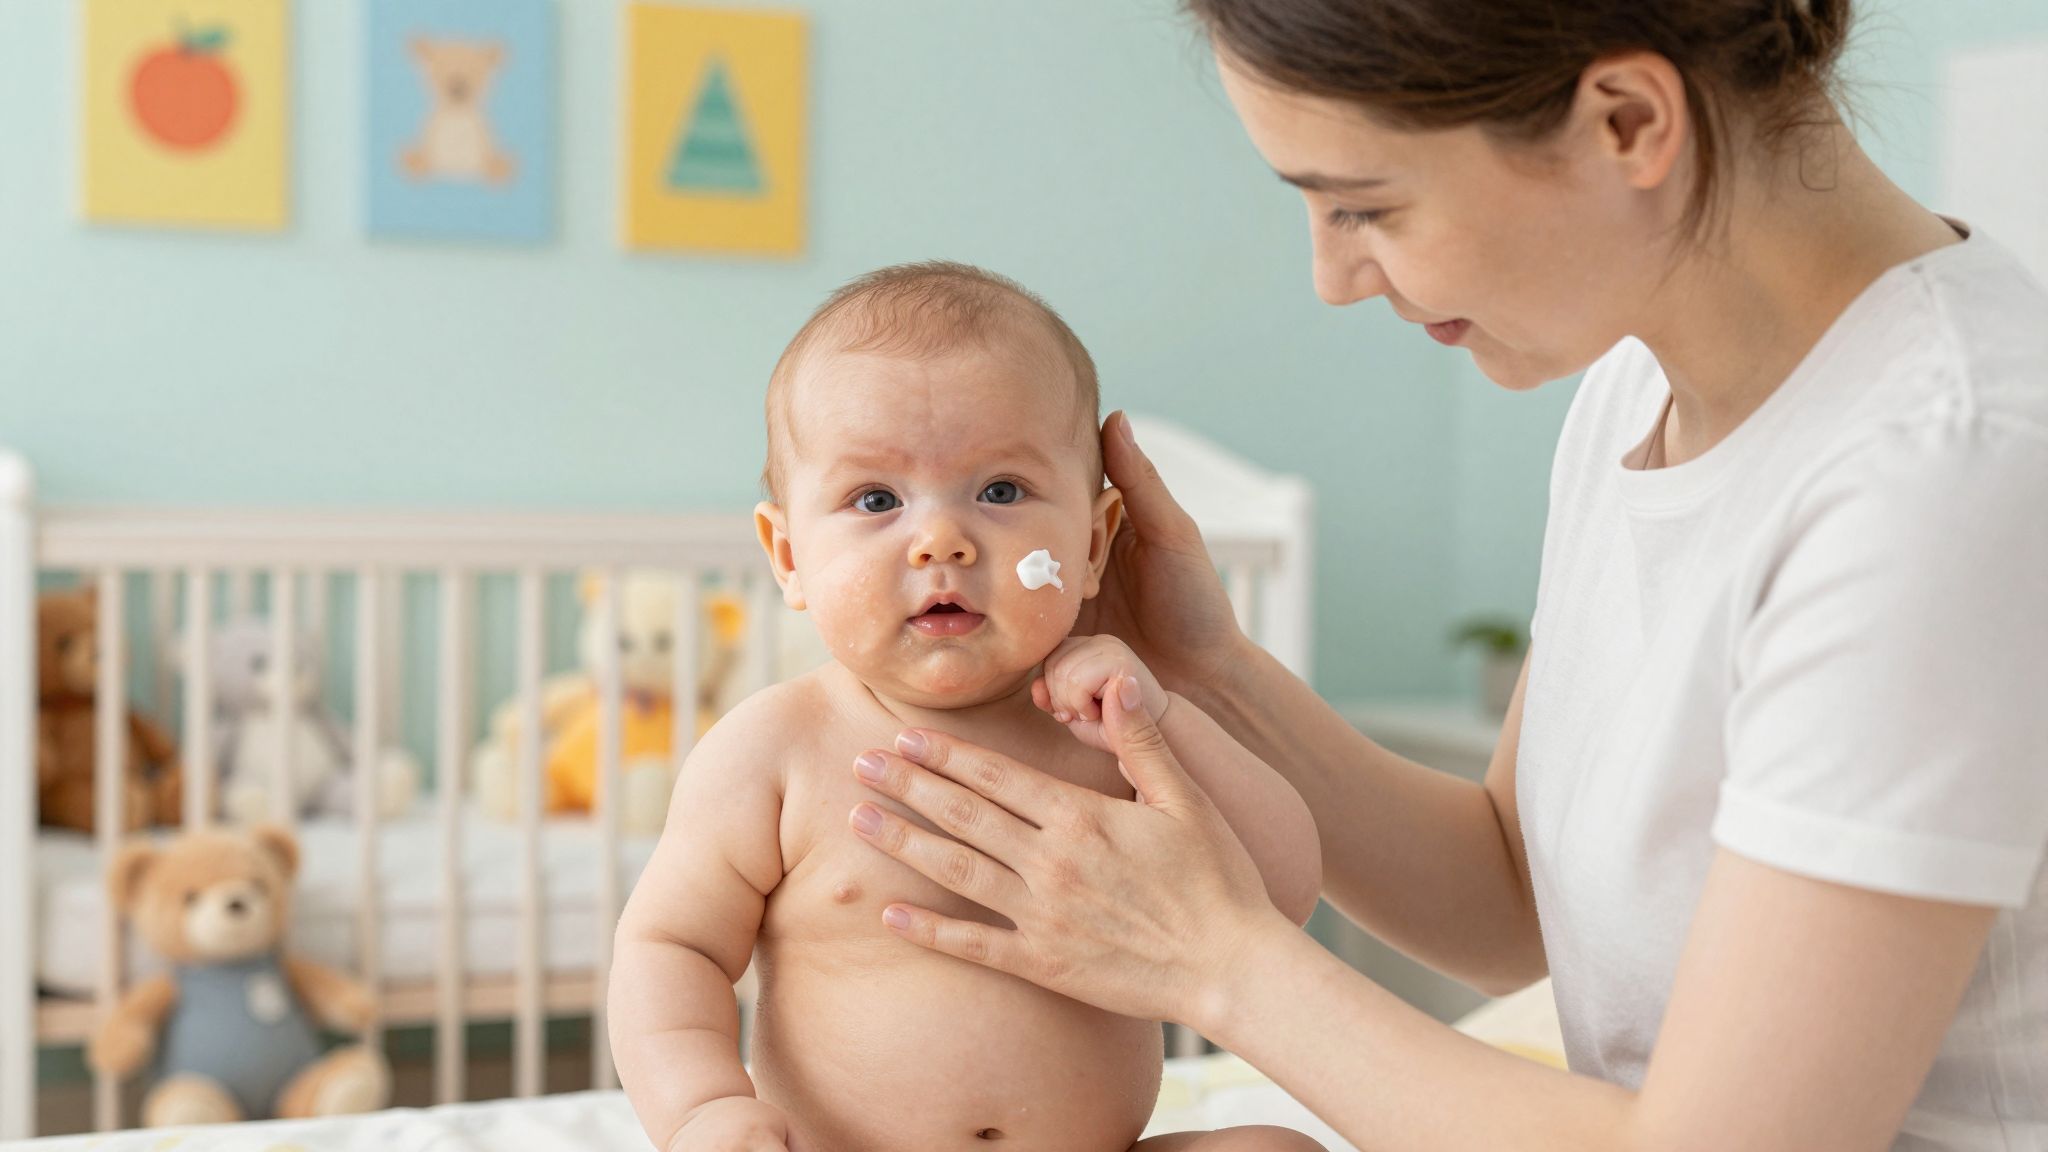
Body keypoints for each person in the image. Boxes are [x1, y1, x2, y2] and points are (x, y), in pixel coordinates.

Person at [842, 3, 2048, 1149]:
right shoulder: (1638, 388)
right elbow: (1514, 900)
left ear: (1627, 121)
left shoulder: (1943, 474)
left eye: (1362, 206)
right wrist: (1206, 672)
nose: (1331, 276)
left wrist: (1211, 959)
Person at [609, 261, 1326, 1152]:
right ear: (788, 556)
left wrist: (1161, 717)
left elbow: (1283, 895)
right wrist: (703, 1108)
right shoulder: (773, 750)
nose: (941, 540)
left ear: (1094, 543)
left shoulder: (1116, 730)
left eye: (1000, 491)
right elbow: (670, 948)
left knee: (1276, 1151)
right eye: (876, 499)